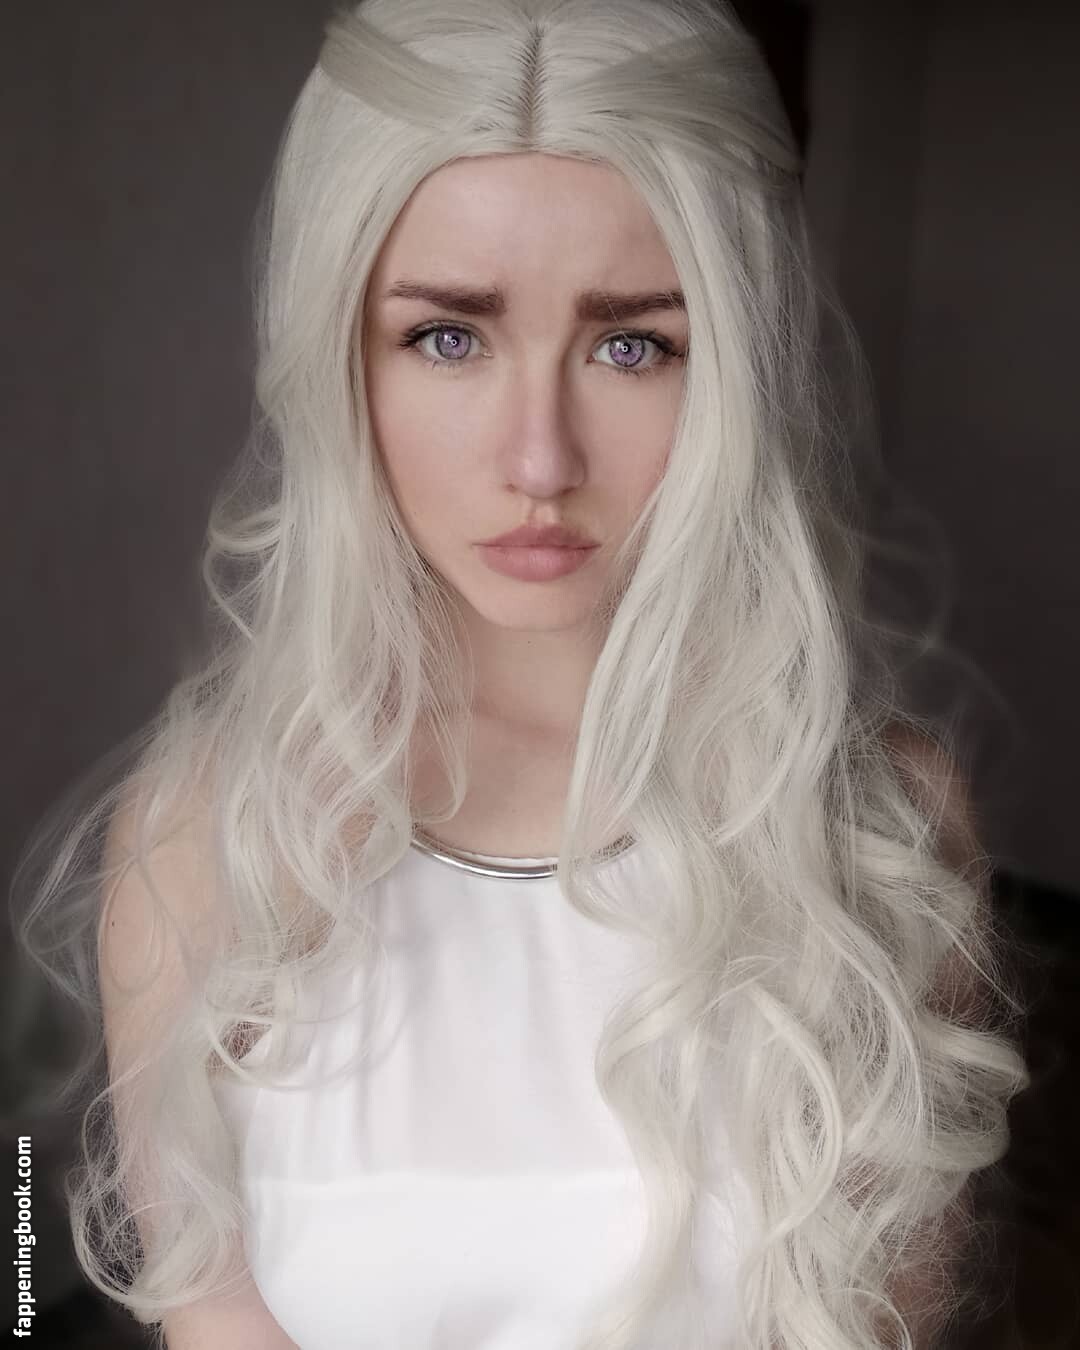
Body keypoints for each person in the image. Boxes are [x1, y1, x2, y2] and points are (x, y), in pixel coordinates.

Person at [12, 0, 1031, 1346]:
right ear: (339, 356)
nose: (540, 458)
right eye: (450, 336)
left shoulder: (882, 835)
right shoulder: (213, 842)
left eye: (632, 344)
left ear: (733, 368)